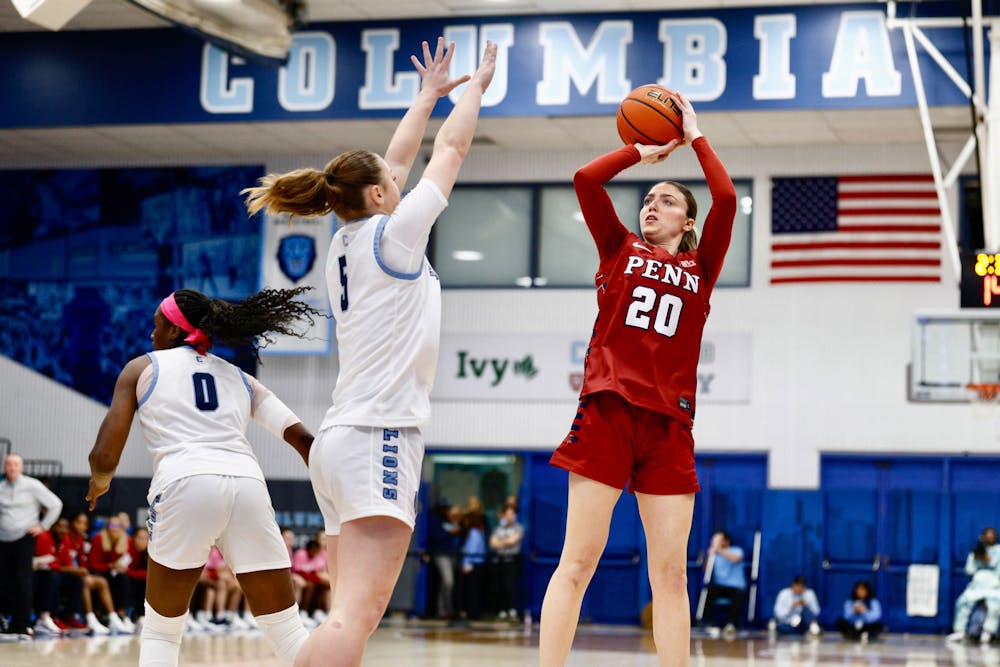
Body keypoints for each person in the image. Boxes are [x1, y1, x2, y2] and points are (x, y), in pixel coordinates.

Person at [242, 37, 497, 667]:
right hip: (378, 436)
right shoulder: (397, 237)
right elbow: (451, 150)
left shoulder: (350, 240)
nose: (397, 179)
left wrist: (426, 96)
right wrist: (474, 91)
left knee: (345, 617)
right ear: (379, 195)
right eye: (389, 181)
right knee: (354, 617)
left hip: (341, 441)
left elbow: (397, 160)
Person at [539, 91, 736, 667]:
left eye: (666, 200)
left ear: (687, 221)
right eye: (648, 199)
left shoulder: (701, 266)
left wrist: (694, 137)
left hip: (669, 425)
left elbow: (726, 197)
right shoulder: (618, 245)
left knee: (671, 576)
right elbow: (586, 179)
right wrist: (640, 152)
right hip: (608, 410)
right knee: (577, 562)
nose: (652, 205)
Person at [85, 286, 323, 667]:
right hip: (247, 486)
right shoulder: (239, 377)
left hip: (185, 483)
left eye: (157, 325)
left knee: (162, 632)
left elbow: (104, 457)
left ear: (174, 330)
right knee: (288, 631)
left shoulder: (141, 368)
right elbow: (304, 440)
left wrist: (99, 482)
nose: (152, 333)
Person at [0, 452, 63, 639]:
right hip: (3, 540)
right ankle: (4, 620)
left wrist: (43, 526)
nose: (12, 468)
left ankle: (21, 625)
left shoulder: (32, 485)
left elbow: (55, 504)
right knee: (3, 581)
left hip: (24, 538)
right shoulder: (1, 487)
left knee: (22, 581)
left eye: (15, 464)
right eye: (8, 464)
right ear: (4, 467)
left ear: (21, 467)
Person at [87, 515, 134, 632]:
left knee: (124, 578)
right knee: (101, 580)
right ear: (107, 527)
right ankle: (102, 614)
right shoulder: (99, 538)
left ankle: (122, 615)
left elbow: (130, 561)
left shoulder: (127, 540)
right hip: (99, 572)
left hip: (114, 574)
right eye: (112, 525)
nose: (115, 529)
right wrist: (111, 566)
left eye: (118, 526)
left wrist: (122, 568)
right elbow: (92, 564)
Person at [947, 541, 1000, 643]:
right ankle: (960, 631)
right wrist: (977, 560)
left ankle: (988, 632)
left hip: (995, 588)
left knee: (995, 606)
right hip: (976, 588)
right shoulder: (974, 554)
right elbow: (969, 571)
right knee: (962, 602)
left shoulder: (998, 552)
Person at [702, 531, 748, 637]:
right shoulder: (714, 555)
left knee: (739, 595)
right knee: (706, 592)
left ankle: (730, 624)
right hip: (720, 586)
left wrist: (719, 550)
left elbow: (736, 559)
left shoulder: (736, 550)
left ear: (727, 541)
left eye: (719, 540)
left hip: (736, 587)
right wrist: (709, 557)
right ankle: (710, 623)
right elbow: (707, 570)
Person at [489, 504, 524, 621]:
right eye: (508, 514)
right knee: (499, 586)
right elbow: (492, 543)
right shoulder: (498, 528)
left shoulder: (518, 527)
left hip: (512, 560)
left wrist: (501, 541)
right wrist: (506, 541)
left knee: (510, 585)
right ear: (503, 515)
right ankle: (502, 611)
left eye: (512, 514)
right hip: (500, 560)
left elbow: (513, 541)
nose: (510, 516)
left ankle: (512, 611)